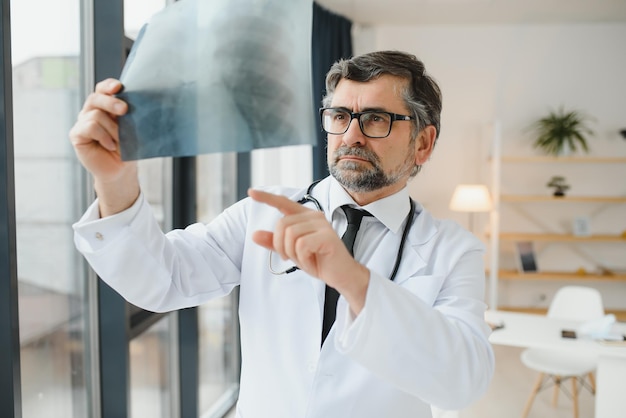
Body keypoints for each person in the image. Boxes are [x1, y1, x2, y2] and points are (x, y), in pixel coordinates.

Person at [70, 50, 494, 418]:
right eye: (340, 116)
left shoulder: (453, 251)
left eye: (377, 119)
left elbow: (463, 381)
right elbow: (162, 281)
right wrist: (114, 181)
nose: (351, 136)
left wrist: (351, 277)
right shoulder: (263, 211)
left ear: (423, 143)